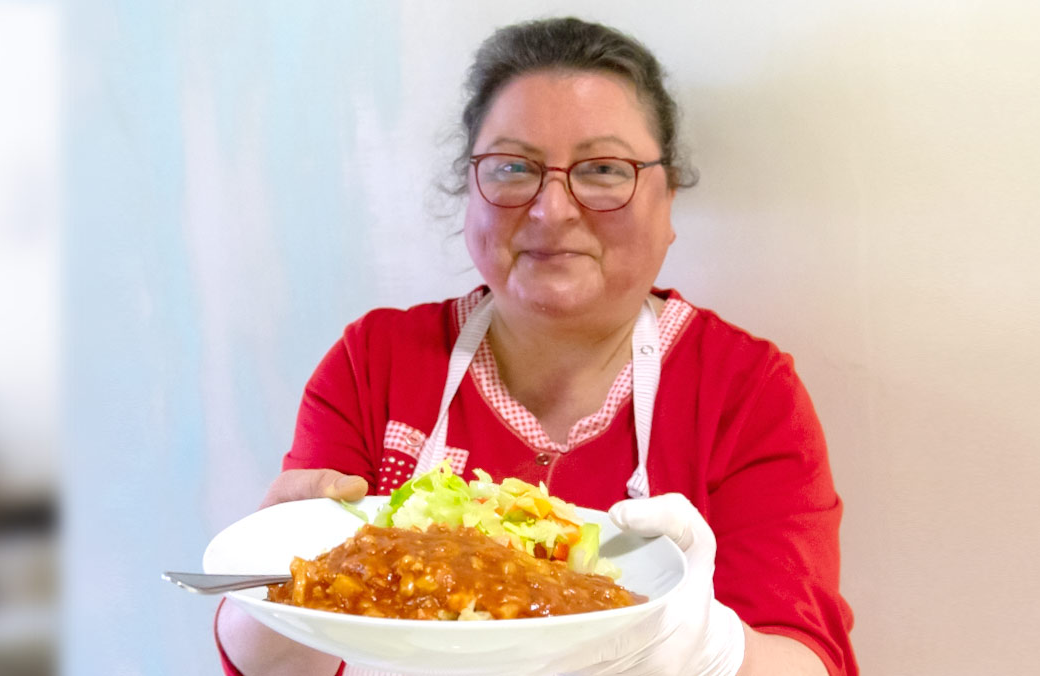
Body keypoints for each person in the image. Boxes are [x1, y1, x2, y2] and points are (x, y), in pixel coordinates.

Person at [213, 17, 856, 676]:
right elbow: (282, 667)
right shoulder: (376, 362)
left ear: (667, 200)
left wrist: (707, 649)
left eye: (603, 169)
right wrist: (272, 586)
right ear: (470, 193)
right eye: (513, 167)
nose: (553, 210)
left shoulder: (744, 391)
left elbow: (807, 658)